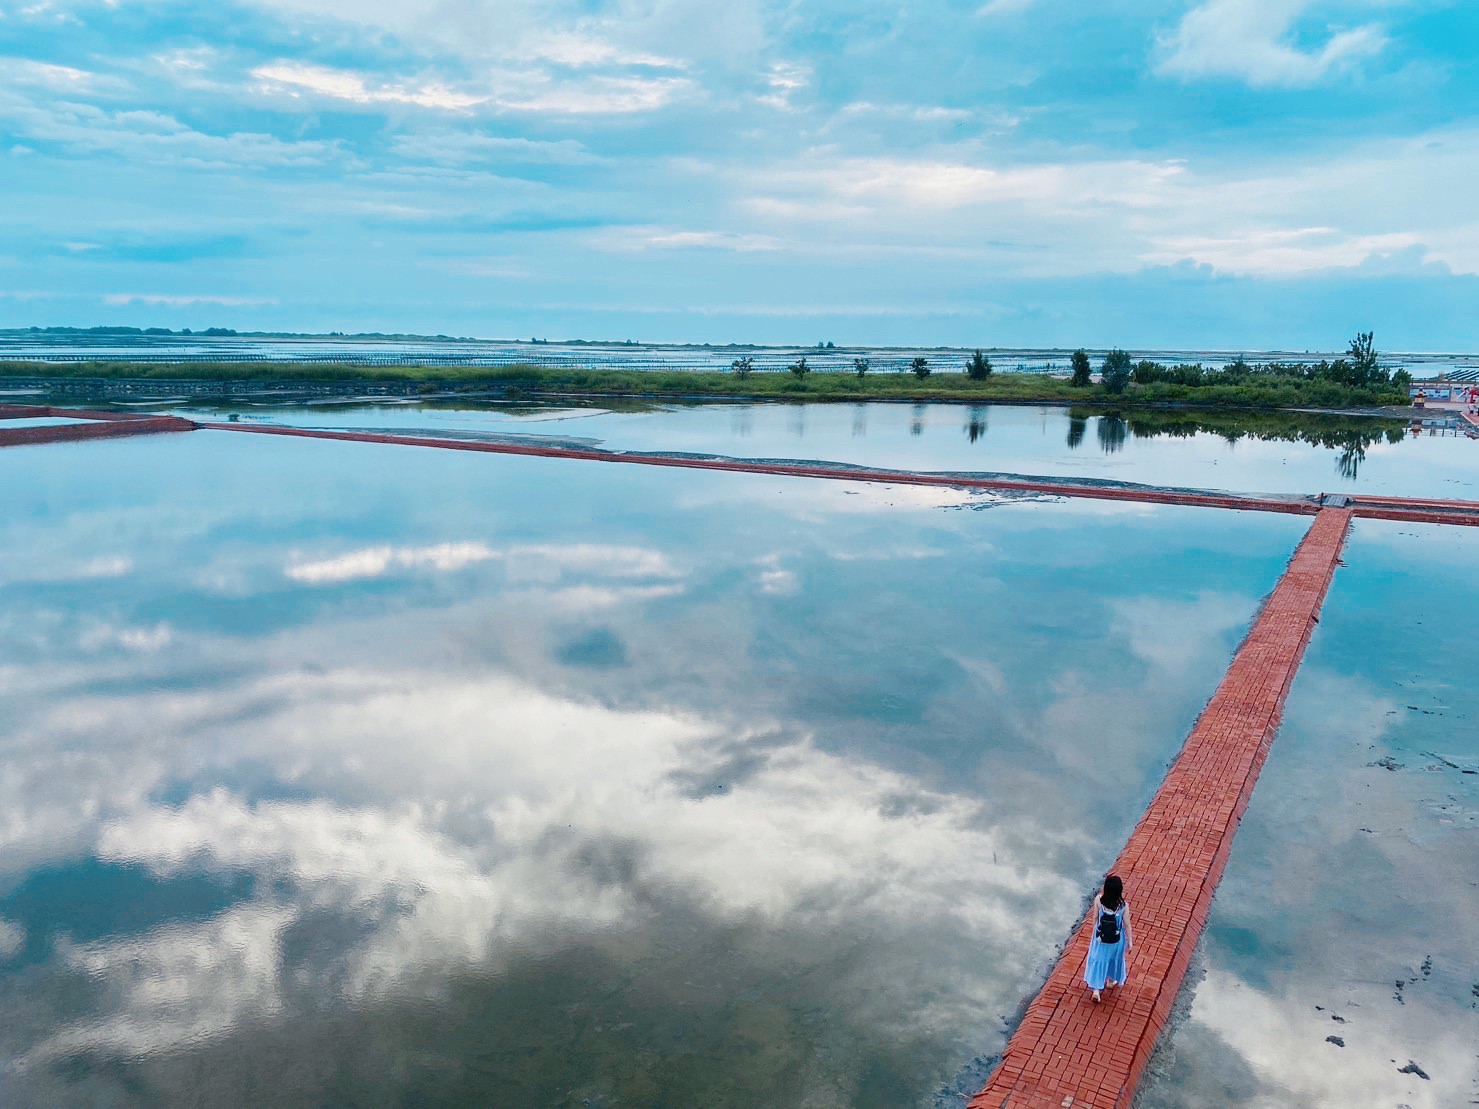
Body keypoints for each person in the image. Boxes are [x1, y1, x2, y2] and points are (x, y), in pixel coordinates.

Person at [1084, 874, 1131, 1003]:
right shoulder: (1123, 906)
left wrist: (1095, 932)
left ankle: (1096, 991)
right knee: (1114, 960)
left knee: (1099, 960)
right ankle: (1110, 981)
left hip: (1101, 938)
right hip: (1116, 940)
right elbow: (1126, 925)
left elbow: (1095, 917)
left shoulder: (1099, 900)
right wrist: (1130, 941)